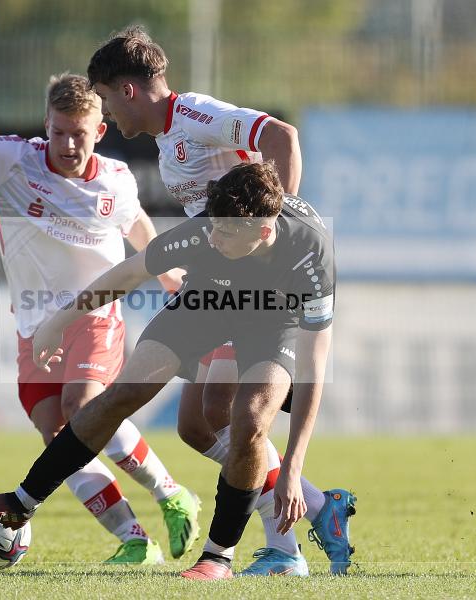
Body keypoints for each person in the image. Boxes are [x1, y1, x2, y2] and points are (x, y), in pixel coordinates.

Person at [0, 161, 343, 580]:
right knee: (124, 392)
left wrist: (291, 467)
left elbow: (313, 365)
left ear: (264, 233)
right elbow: (131, 271)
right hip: (208, 300)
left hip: (275, 321)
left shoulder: (311, 253)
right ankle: (19, 504)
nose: (213, 238)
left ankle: (217, 559)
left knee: (250, 420)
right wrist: (60, 321)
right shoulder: (207, 231)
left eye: (226, 233)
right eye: (213, 226)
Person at [84, 26, 355, 575]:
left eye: (106, 100)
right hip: (219, 287)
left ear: (127, 90)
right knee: (197, 424)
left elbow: (281, 134)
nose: (107, 115)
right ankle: (320, 507)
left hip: (251, 290)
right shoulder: (169, 139)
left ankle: (282, 550)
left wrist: (270, 229)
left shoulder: (194, 115)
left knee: (235, 418)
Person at [0, 73, 199, 565]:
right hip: (32, 323)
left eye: (79, 134)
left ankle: (171, 494)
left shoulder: (115, 178)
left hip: (94, 313)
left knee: (83, 406)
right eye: (59, 132)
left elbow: (135, 224)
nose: (68, 144)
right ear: (46, 125)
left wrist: (166, 270)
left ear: (100, 132)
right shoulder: (9, 159)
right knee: (56, 434)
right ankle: (134, 540)